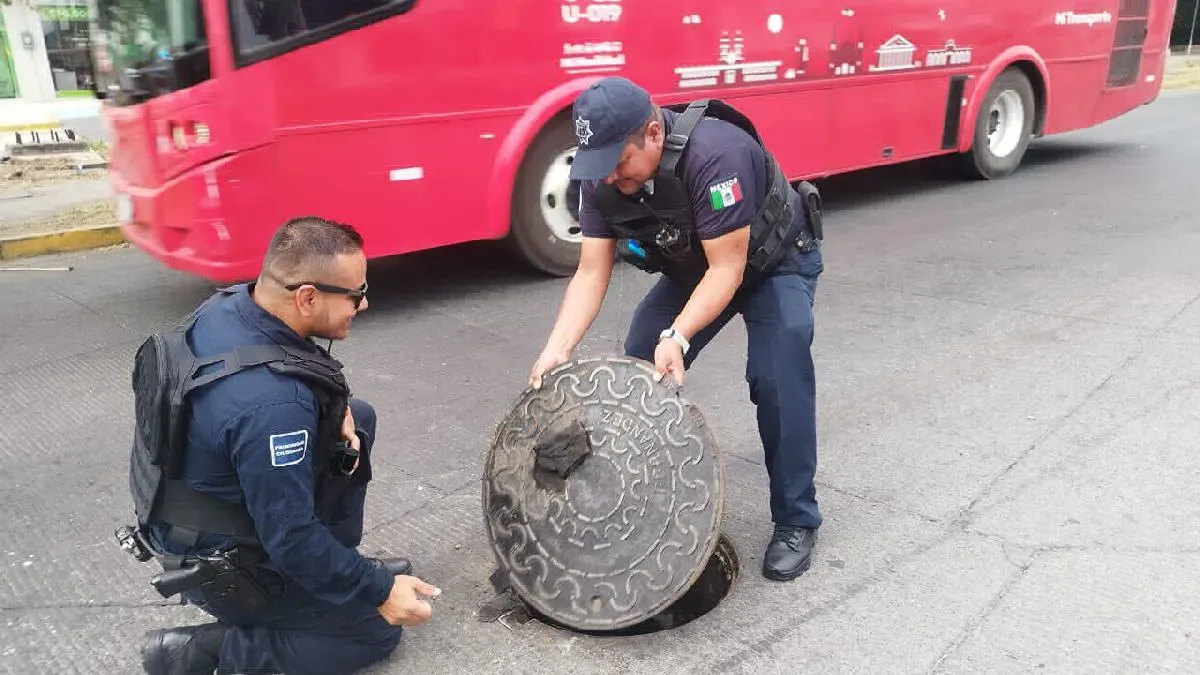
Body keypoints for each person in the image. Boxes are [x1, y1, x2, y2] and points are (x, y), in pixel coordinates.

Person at [528, 77, 825, 582]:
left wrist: (680, 335)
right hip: (697, 267)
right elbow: (591, 271)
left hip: (771, 262)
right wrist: (557, 348)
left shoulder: (717, 154)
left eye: (619, 162)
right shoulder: (600, 178)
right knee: (641, 357)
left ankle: (797, 518)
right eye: (598, 165)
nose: (610, 178)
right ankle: (639, 498)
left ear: (652, 134)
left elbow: (728, 271)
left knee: (777, 377)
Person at [125, 217, 440, 675]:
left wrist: (339, 408)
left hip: (183, 510)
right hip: (217, 562)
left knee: (359, 418)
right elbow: (290, 539)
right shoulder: (274, 405)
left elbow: (287, 379)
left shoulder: (234, 304)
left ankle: (336, 571)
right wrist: (377, 590)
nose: (364, 302)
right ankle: (206, 652)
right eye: (355, 293)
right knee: (374, 630)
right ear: (307, 297)